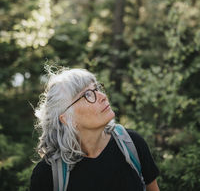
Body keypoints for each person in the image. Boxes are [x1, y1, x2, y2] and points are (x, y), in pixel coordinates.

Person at [30, 68, 160, 191]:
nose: (102, 96)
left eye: (96, 88)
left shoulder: (131, 144)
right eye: (87, 95)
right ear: (68, 119)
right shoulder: (47, 175)